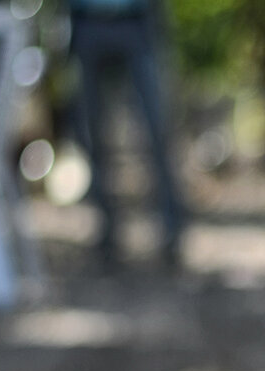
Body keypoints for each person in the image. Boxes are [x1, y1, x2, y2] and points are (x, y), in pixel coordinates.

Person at [68, 0, 185, 266]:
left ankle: (172, 231)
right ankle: (106, 235)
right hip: (87, 22)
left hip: (137, 22)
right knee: (94, 136)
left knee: (157, 132)